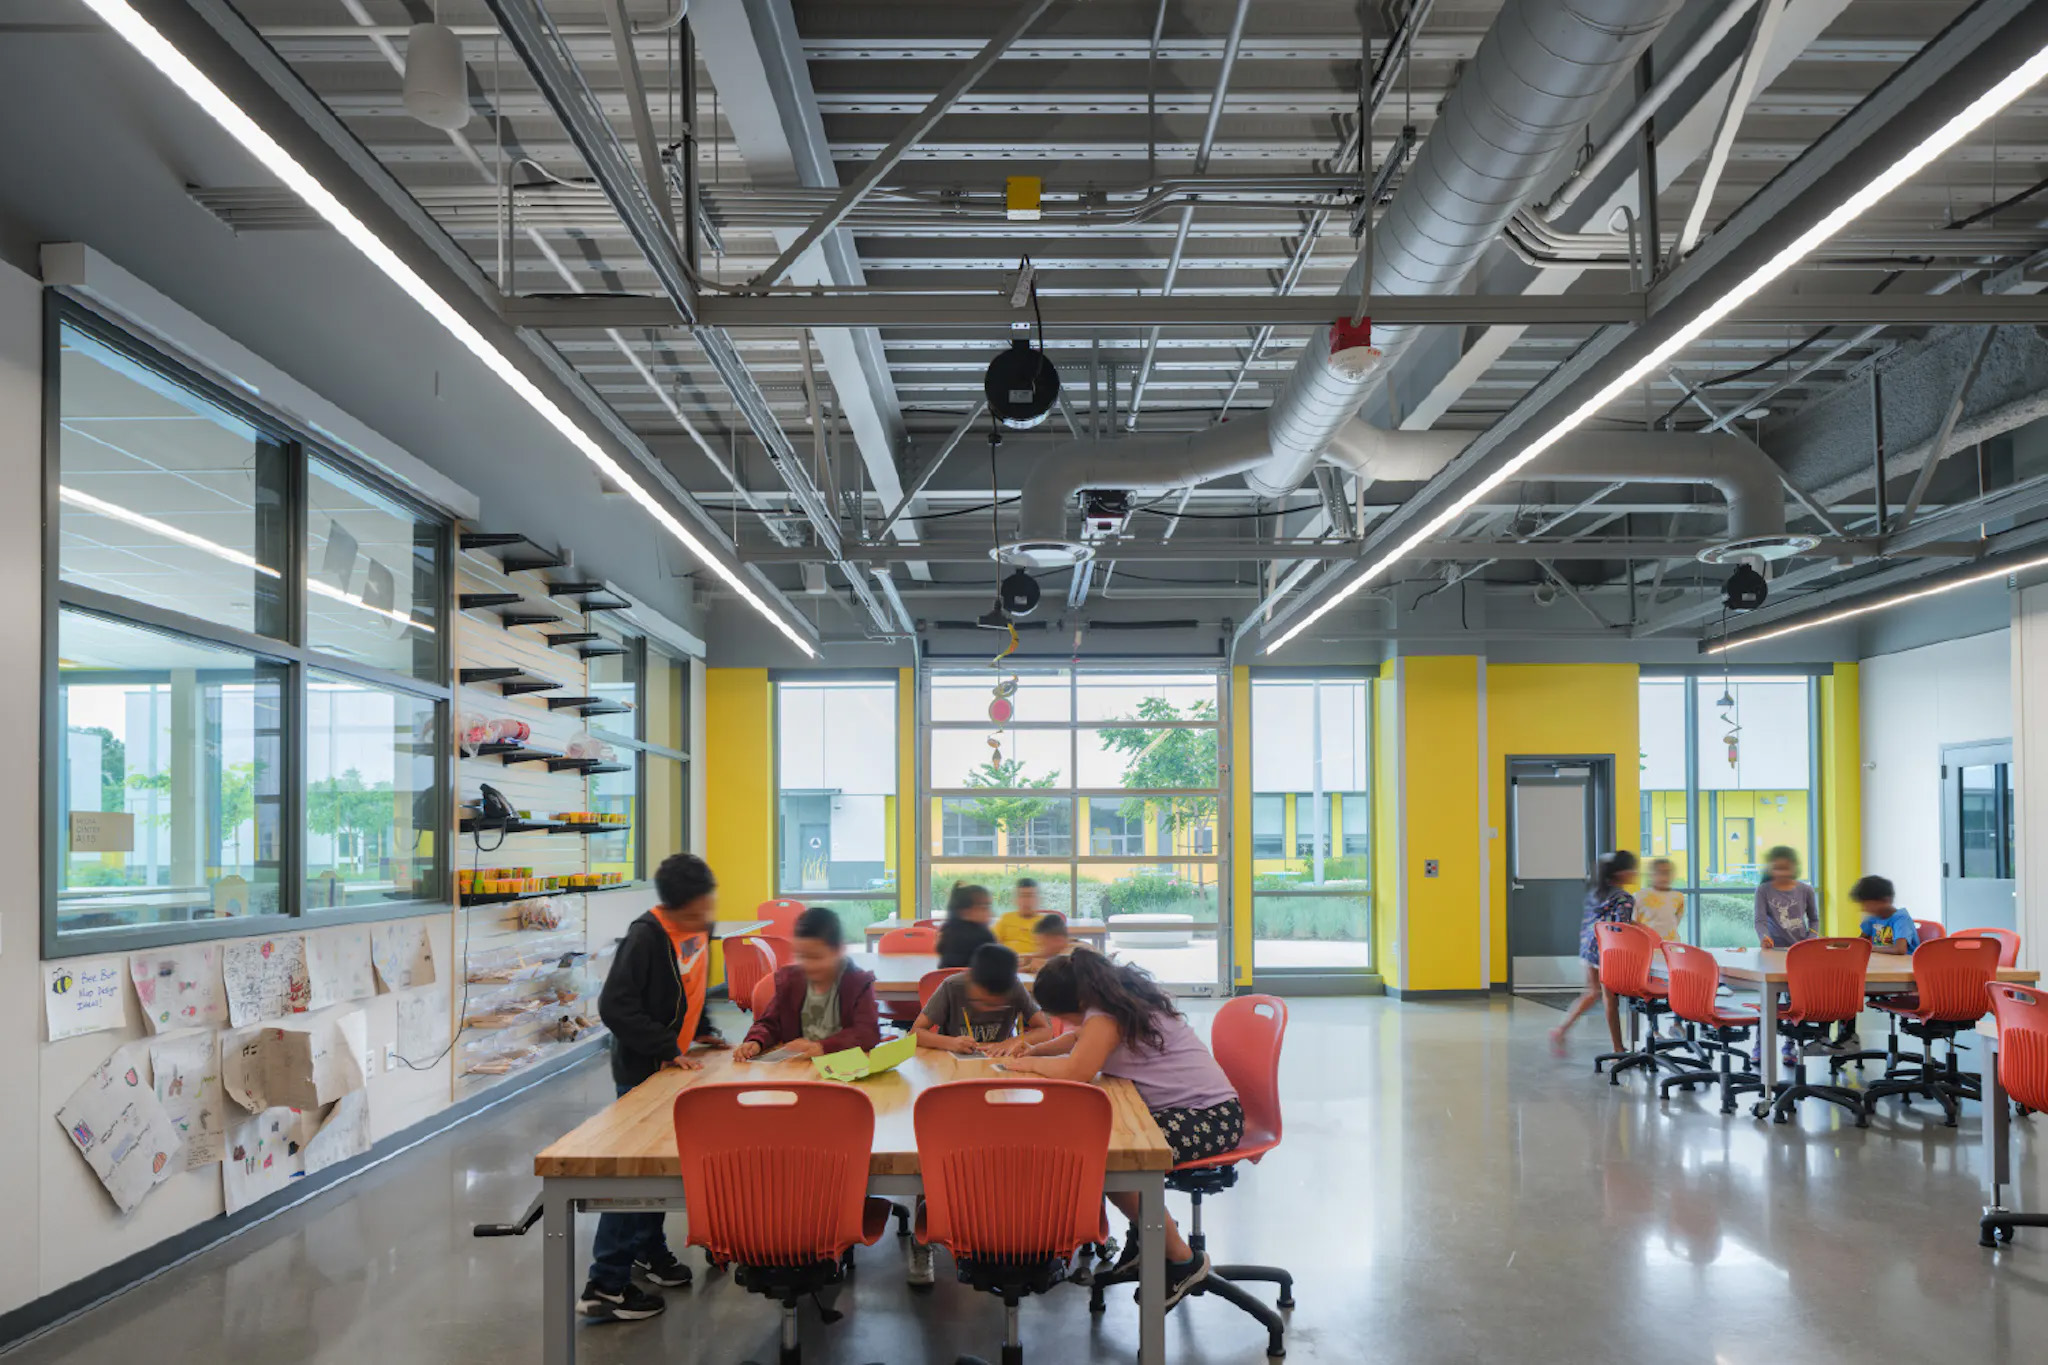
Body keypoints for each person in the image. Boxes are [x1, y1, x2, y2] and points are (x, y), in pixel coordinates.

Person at [1006, 953, 1240, 1312]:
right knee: (1104, 1145)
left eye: (1058, 1013)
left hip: (1209, 1119)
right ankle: (1149, 1237)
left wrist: (1024, 1065)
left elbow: (1077, 1071)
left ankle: (1182, 1259)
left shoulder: (1106, 1016)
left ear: (1077, 1002)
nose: (1058, 1021)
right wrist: (1037, 1050)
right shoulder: (1117, 998)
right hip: (1193, 1110)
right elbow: (1076, 1038)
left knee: (1113, 1158)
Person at [582, 853, 716, 1321]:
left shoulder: (700, 927)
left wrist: (703, 1029)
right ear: (677, 906)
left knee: (659, 1167)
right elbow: (615, 1006)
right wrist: (664, 1045)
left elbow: (692, 985)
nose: (708, 914)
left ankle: (647, 1249)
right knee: (636, 1170)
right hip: (642, 1067)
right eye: (700, 907)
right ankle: (605, 1284)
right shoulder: (646, 936)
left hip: (674, 1065)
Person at [733, 906, 881, 1061]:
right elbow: (769, 1023)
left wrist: (822, 1047)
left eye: (816, 957)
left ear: (839, 951)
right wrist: (756, 1041)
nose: (808, 965)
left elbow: (867, 1032)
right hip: (798, 1067)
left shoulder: (858, 983)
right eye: (801, 956)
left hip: (843, 1066)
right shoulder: (790, 982)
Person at [1549, 850, 1637, 1057]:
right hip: (1605, 952)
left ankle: (1561, 1030)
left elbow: (1600, 920)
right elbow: (1620, 928)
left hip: (1588, 949)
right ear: (1622, 873)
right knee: (1609, 999)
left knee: (1592, 992)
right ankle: (1618, 1048)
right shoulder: (1624, 898)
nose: (1635, 873)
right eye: (1632, 869)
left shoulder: (1596, 893)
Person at [914, 943, 1053, 1057]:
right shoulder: (952, 987)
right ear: (970, 979)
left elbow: (1045, 1031)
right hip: (952, 1062)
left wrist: (1012, 1042)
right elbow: (915, 1033)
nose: (987, 1009)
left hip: (998, 1061)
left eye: (998, 1005)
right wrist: (951, 1043)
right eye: (981, 1001)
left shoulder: (1014, 987)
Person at [1754, 846, 1820, 949]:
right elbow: (1760, 921)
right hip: (1774, 948)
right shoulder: (1762, 890)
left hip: (1801, 947)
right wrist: (1764, 937)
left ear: (1794, 868)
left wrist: (1811, 938)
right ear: (1770, 869)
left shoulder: (1807, 890)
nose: (1781, 873)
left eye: (1785, 868)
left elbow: (1814, 920)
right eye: (1777, 868)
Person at [936, 882, 998, 968]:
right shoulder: (984, 935)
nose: (991, 913)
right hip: (976, 977)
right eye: (985, 907)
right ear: (965, 911)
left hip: (947, 977)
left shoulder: (947, 929)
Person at [1634, 857, 1685, 943]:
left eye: (1667, 873)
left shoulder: (1678, 897)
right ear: (1651, 875)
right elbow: (1634, 922)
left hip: (1670, 944)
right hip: (1647, 943)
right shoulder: (1639, 896)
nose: (1664, 877)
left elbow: (1676, 920)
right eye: (1660, 872)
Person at [993, 877, 1045, 955]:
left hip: (1034, 960)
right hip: (1007, 960)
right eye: (1022, 896)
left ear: (1039, 899)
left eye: (1030, 896)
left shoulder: (1045, 923)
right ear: (1015, 899)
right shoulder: (1006, 918)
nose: (1026, 901)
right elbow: (992, 942)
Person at [1022, 911, 1093, 967]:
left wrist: (1032, 963)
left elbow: (1061, 967)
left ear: (1058, 940)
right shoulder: (1064, 946)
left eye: (1042, 945)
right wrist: (1028, 958)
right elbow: (1046, 954)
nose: (1039, 949)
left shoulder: (1078, 950)